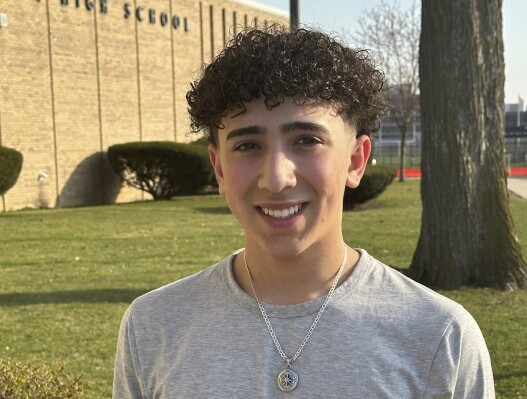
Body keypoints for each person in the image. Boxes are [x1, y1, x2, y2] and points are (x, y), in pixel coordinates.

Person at [113, 27, 495, 398]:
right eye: (247, 145)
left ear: (355, 160)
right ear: (220, 170)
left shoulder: (439, 337)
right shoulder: (153, 326)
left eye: (307, 141)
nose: (276, 178)